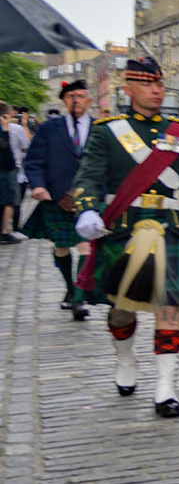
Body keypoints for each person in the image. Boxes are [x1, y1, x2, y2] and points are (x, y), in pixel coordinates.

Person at [72, 56, 179, 417]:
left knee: (170, 309)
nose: (157, 90)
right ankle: (125, 359)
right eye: (147, 84)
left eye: (159, 84)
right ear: (128, 90)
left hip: (172, 227)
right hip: (124, 226)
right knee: (122, 311)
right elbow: (88, 177)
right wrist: (88, 209)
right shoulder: (108, 131)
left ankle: (166, 387)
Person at [21, 79, 97, 317]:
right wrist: (38, 186)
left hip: (89, 198)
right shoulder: (48, 128)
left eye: (81, 95)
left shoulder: (101, 127)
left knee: (86, 245)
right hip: (57, 197)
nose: (76, 100)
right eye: (71, 96)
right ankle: (69, 288)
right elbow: (33, 161)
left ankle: (78, 298)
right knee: (62, 246)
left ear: (89, 100)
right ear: (64, 100)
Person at [0, 104, 26, 242]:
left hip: (7, 167)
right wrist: (5, 130)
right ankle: (4, 232)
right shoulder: (12, 129)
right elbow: (6, 148)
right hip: (7, 167)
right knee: (11, 200)